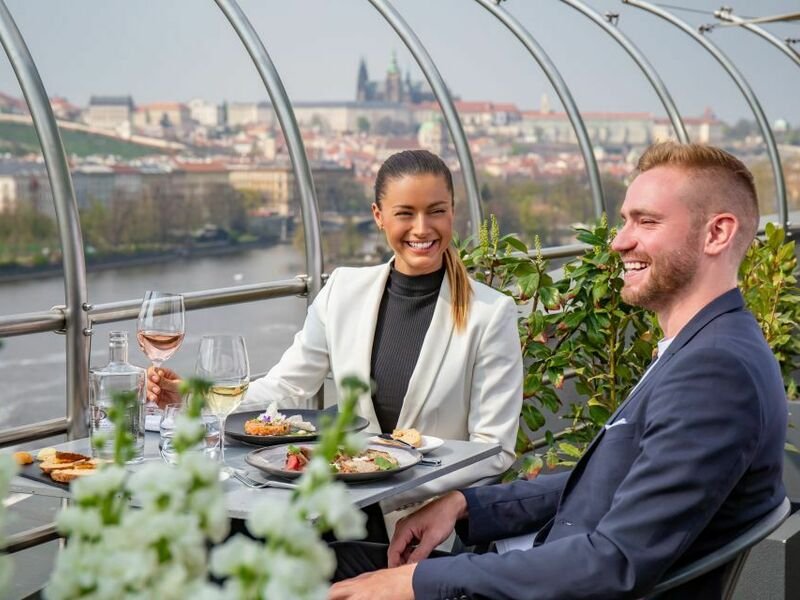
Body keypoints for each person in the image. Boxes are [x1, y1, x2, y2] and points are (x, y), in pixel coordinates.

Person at [328, 142, 788, 600]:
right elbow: (611, 481)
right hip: (541, 563)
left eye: (646, 221)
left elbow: (613, 564)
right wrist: (466, 503)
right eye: (626, 219)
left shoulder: (714, 372)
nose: (619, 240)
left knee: (319, 569)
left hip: (554, 582)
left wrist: (419, 582)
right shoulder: (705, 348)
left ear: (717, 234)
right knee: (335, 560)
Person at [148, 149, 523, 511]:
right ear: (378, 216)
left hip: (425, 523)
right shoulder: (343, 290)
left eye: (436, 212)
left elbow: (494, 449)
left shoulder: (490, 314)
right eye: (405, 213)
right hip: (340, 510)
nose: (422, 229)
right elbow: (287, 387)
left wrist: (397, 494)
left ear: (452, 213)